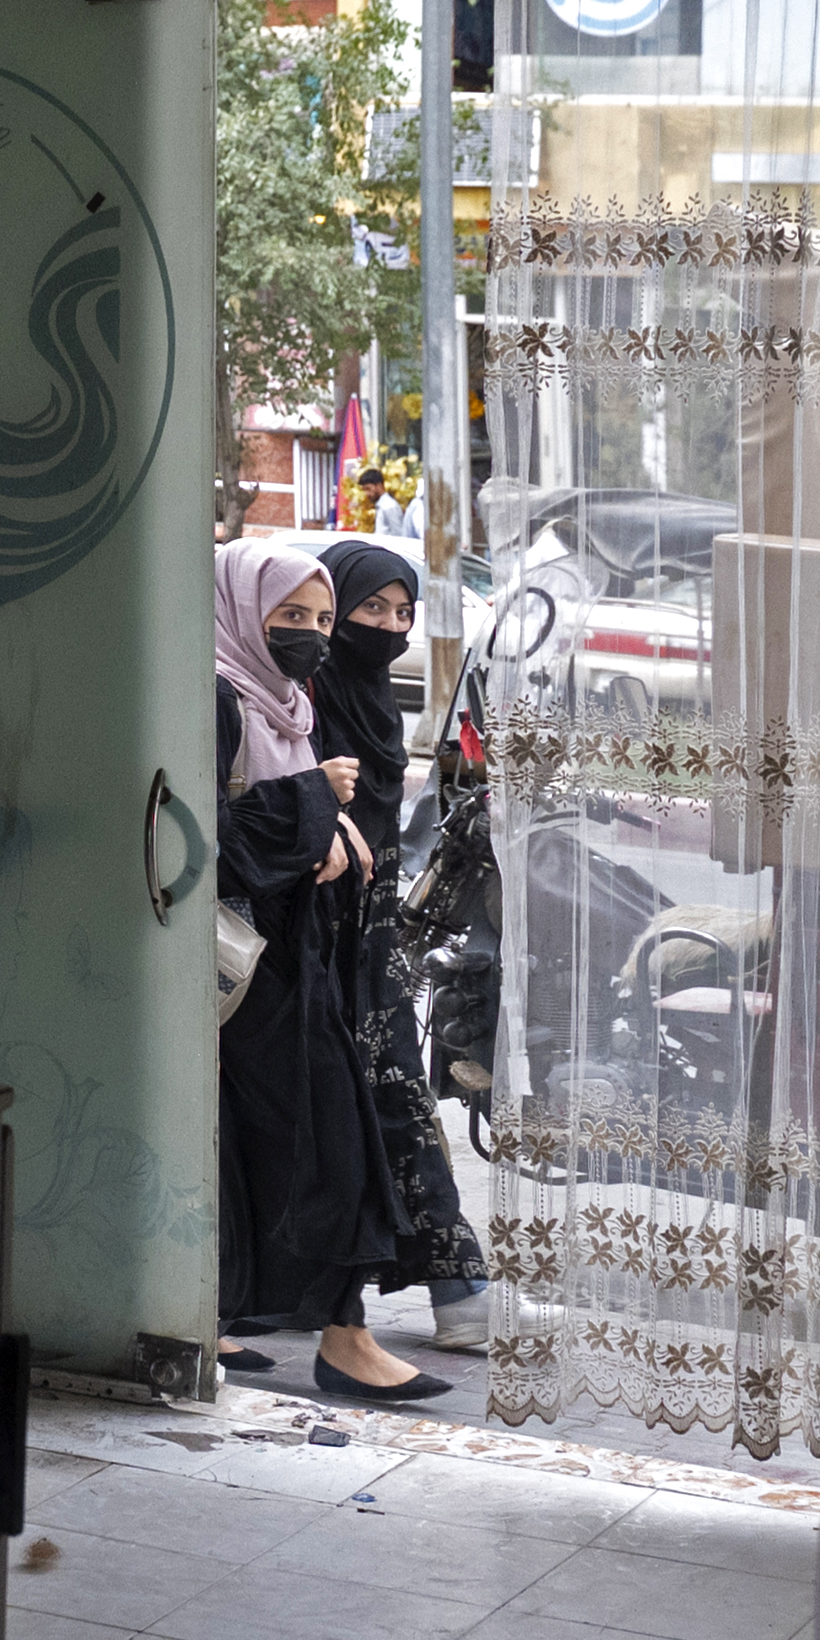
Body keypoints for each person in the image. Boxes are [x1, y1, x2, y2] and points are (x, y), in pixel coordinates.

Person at [211, 539, 449, 1402]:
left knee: (317, 1143)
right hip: (250, 971)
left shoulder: (288, 707)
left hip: (296, 965)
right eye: (293, 619)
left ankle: (325, 1332)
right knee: (302, 1146)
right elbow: (211, 837)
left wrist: (328, 814)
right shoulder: (220, 697)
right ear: (244, 613)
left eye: (317, 619)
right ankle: (325, 1336)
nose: (311, 637)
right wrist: (319, 803)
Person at [293, 537, 496, 1360]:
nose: (387, 625)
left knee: (391, 1101)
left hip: (367, 939)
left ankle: (455, 1288)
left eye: (401, 612)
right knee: (354, 1109)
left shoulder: (377, 704)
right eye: (369, 608)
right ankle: (440, 1293)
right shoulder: (298, 699)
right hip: (303, 939)